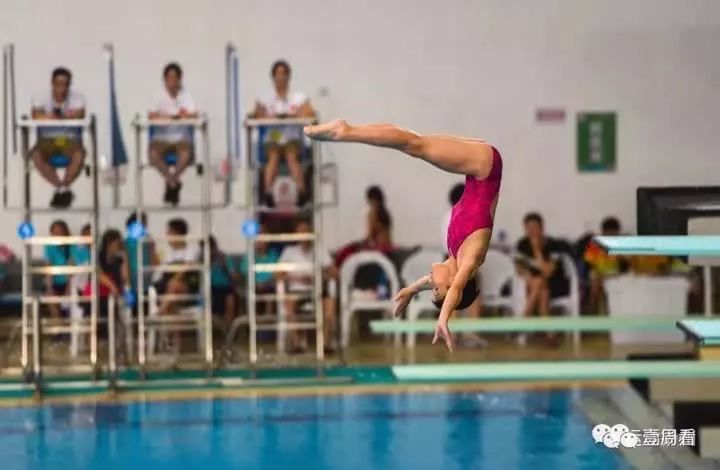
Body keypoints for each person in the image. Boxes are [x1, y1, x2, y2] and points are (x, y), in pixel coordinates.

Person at [304, 119, 502, 351]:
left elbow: (430, 282)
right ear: (452, 284)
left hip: (478, 167)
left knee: (411, 141)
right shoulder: (472, 257)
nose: (432, 282)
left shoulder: (456, 257)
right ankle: (344, 131)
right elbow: (456, 290)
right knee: (414, 144)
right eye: (437, 290)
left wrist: (410, 290)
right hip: (484, 167)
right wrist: (443, 318)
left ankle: (353, 130)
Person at [252, 60, 316, 207]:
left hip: (292, 138)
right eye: (278, 74)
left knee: (291, 156)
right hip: (273, 138)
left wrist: (295, 115)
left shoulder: (298, 97)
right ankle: (267, 192)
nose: (281, 77)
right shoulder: (264, 97)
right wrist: (272, 116)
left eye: (284, 74)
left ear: (289, 76)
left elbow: (310, 112)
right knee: (273, 157)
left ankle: (301, 192)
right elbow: (256, 114)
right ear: (273, 76)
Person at [276, 219, 337, 353]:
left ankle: (325, 344)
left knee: (330, 303)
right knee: (289, 304)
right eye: (301, 231)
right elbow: (278, 275)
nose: (304, 234)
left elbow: (334, 273)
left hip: (317, 290)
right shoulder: (289, 252)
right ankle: (297, 344)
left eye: (306, 231)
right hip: (296, 290)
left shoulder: (320, 250)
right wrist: (296, 277)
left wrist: (319, 276)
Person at [30, 67, 87, 208]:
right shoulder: (40, 97)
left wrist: (51, 117)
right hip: (47, 141)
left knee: (79, 154)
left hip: (69, 140)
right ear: (52, 83)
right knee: (36, 155)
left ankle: (63, 188)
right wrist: (61, 117)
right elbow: (36, 115)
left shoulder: (78, 97)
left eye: (65, 85)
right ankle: (61, 187)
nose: (61, 89)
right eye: (58, 84)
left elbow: (80, 114)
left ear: (69, 85)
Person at [514, 213, 569, 343]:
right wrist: (527, 276)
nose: (532, 231)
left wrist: (536, 249)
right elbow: (519, 268)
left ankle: (525, 317)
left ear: (542, 228)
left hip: (556, 283)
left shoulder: (553, 244)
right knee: (541, 289)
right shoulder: (522, 244)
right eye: (529, 228)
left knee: (541, 283)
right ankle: (549, 334)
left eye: (535, 227)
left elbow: (548, 271)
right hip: (533, 284)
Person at [148, 63, 198, 206]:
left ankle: (171, 181)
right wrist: (170, 117)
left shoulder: (186, 95)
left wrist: (184, 115)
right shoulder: (158, 95)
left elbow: (193, 114)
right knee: (153, 154)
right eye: (169, 78)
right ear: (165, 79)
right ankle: (173, 182)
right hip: (161, 138)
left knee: (186, 153)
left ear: (180, 79)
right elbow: (151, 115)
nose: (172, 81)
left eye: (175, 78)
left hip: (180, 138)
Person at [207, 235, 239, 330]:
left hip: (226, 287)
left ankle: (229, 330)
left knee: (230, 301)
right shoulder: (201, 259)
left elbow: (234, 275)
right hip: (211, 288)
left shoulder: (223, 257)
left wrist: (227, 269)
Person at [44, 220, 73, 318]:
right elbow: (48, 267)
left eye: (60, 232)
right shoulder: (49, 247)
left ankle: (70, 328)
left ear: (66, 232)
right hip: (55, 283)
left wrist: (69, 287)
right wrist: (50, 288)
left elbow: (72, 268)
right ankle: (58, 329)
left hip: (71, 283)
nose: (58, 235)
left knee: (71, 297)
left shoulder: (72, 245)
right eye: (55, 232)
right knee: (51, 298)